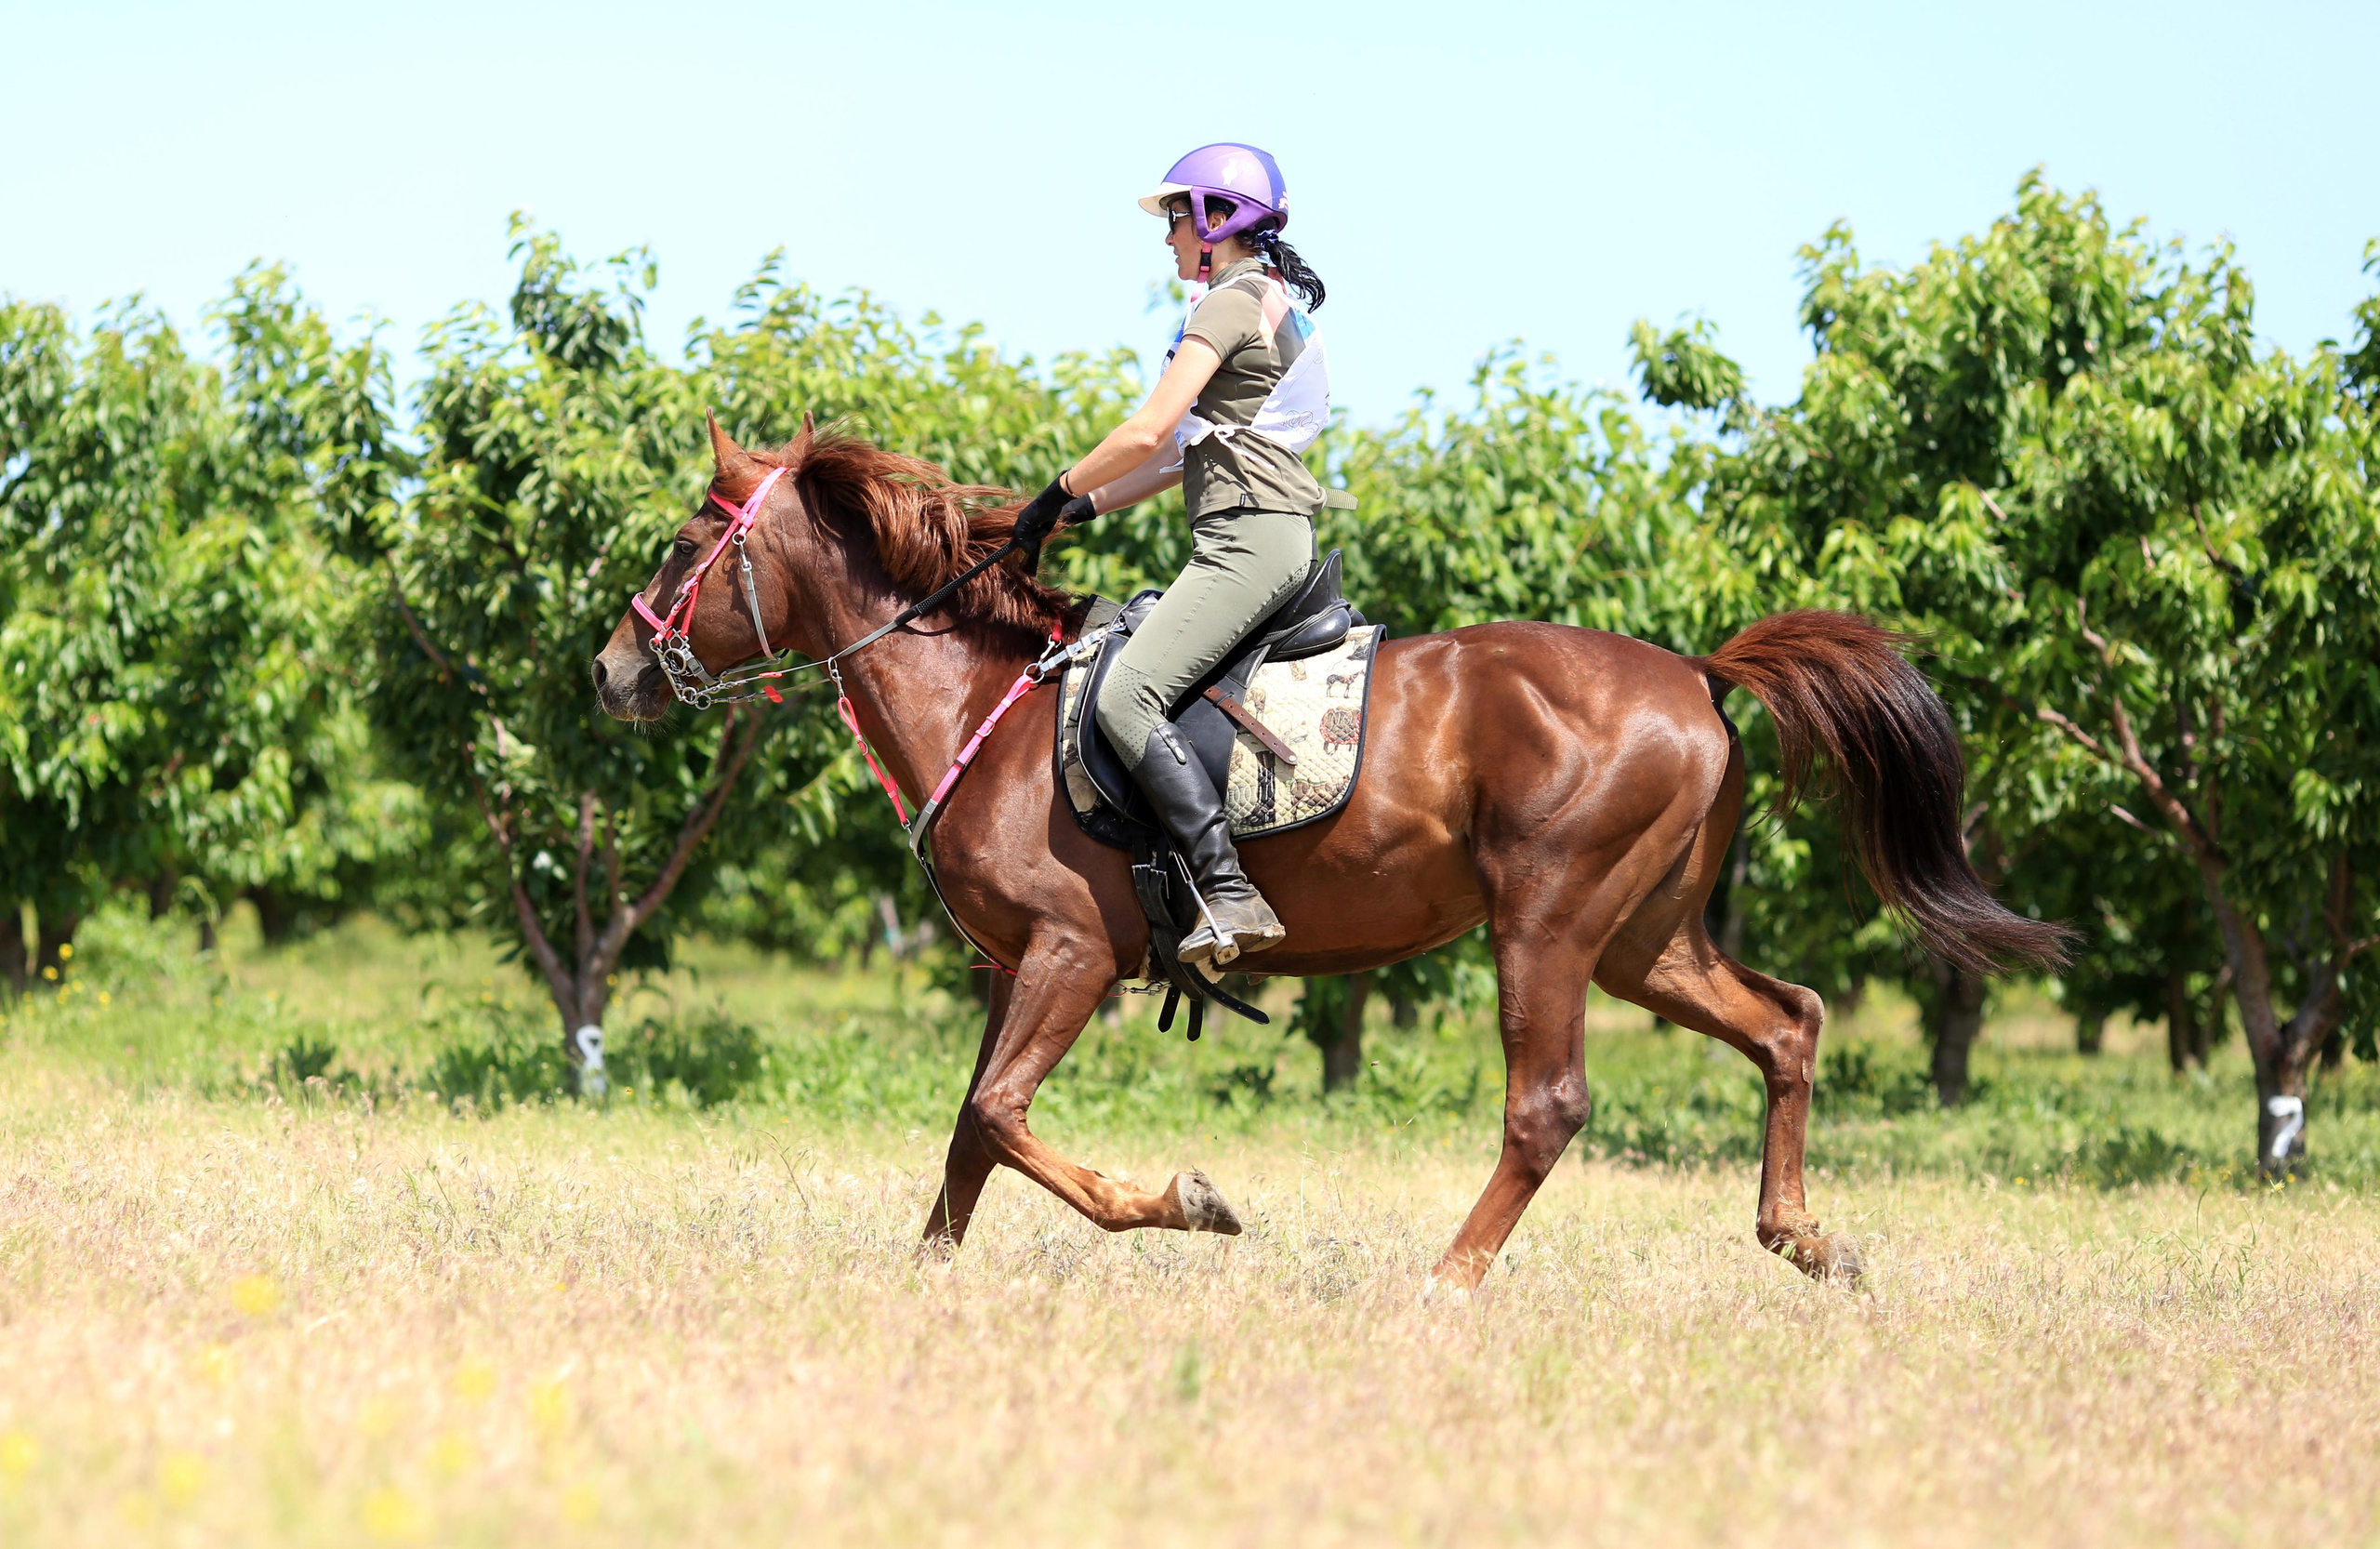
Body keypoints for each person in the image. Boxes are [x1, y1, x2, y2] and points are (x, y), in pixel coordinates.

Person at [1009, 143, 1330, 967]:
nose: (1169, 240)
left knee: (1125, 696)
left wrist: (1050, 488)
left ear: (1219, 220)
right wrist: (1081, 506)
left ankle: (1227, 890)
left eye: (1178, 220)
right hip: (1259, 533)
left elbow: (1149, 427)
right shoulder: (1261, 298)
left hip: (1247, 541)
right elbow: (1175, 454)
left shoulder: (1226, 303)